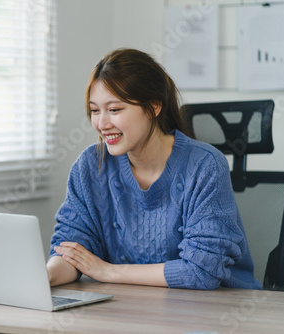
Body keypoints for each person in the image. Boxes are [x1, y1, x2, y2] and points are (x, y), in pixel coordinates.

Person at [46, 48, 262, 290]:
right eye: (95, 110)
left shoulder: (204, 166)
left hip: (215, 310)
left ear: (153, 108)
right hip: (135, 308)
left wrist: (107, 271)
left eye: (114, 110)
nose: (102, 124)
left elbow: (201, 272)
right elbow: (71, 249)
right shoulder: (90, 166)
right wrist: (43, 277)